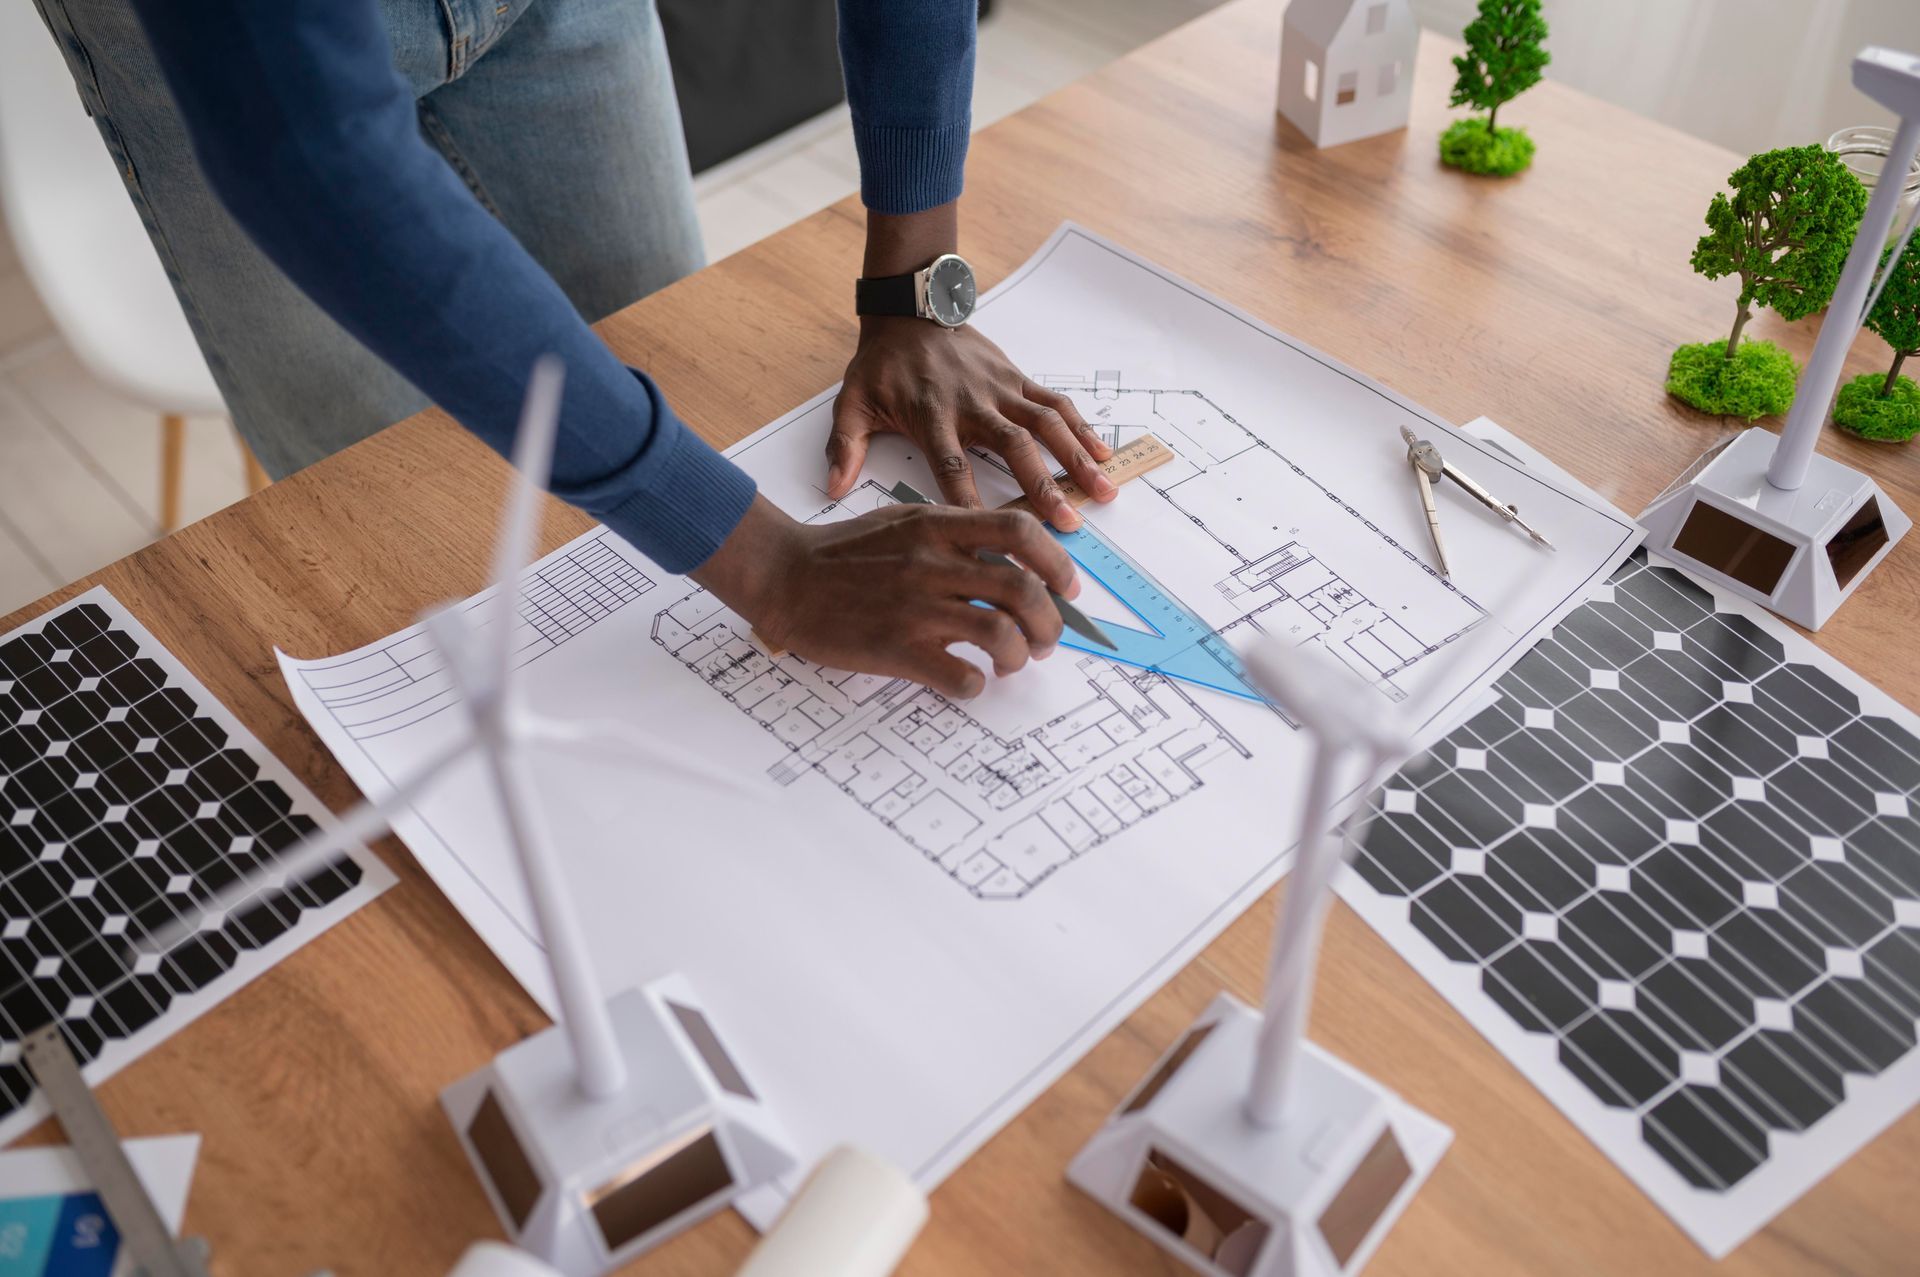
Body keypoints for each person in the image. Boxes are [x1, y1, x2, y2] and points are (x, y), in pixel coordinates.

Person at [31, 0, 1120, 698]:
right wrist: (771, 567)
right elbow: (314, 155)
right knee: (415, 567)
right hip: (262, 65)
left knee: (679, 398)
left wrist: (915, 287)